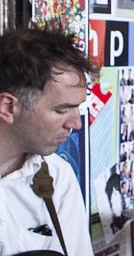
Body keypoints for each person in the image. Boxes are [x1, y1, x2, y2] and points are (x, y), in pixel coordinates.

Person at [0, 28, 96, 255]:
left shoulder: (58, 177)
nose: (76, 124)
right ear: (8, 107)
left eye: (78, 108)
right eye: (62, 110)